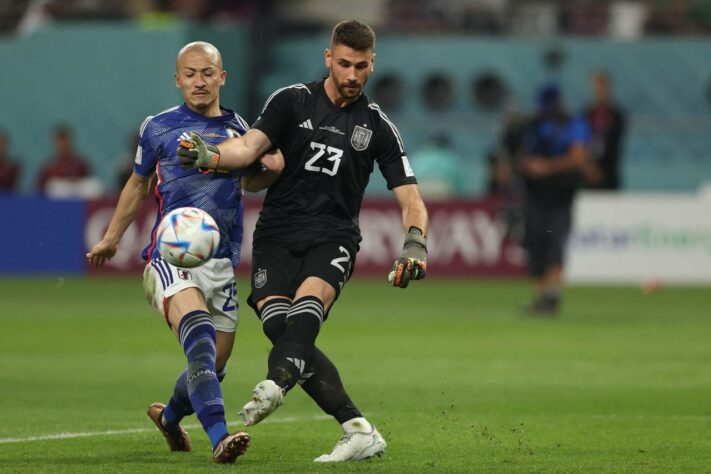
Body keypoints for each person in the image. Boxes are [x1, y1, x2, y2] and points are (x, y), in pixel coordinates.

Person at [178, 20, 429, 462]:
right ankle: (358, 428)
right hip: (276, 234)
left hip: (332, 237)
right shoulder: (291, 101)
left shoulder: (378, 126)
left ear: (373, 65)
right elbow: (248, 147)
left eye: (362, 66)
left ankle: (276, 384)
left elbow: (411, 198)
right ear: (329, 58)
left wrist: (415, 244)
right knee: (280, 326)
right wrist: (214, 156)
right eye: (345, 63)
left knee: (306, 313)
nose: (352, 75)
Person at [86, 41, 282, 464]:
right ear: (177, 79)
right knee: (201, 344)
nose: (198, 81)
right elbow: (137, 184)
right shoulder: (157, 127)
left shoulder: (240, 129)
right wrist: (112, 237)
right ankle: (220, 437)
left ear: (222, 77)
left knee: (214, 366)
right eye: (190, 73)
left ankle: (170, 416)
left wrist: (273, 172)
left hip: (221, 263)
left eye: (207, 73)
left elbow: (249, 183)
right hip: (171, 257)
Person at [521, 82, 590, 315]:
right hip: (535, 194)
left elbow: (579, 157)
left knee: (554, 244)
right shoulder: (533, 125)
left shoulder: (572, 124)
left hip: (560, 194)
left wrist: (547, 167)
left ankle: (552, 295)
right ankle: (542, 296)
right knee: (535, 243)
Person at [583, 70, 626, 190]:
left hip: (609, 173)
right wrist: (588, 166)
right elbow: (580, 143)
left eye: (603, 87)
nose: (600, 91)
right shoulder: (585, 114)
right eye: (597, 87)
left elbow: (613, 144)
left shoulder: (616, 115)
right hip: (588, 173)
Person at [37, 125, 92, 193]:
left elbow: (87, 181)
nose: (63, 145)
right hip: (56, 200)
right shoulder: (50, 167)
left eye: (65, 141)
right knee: (56, 186)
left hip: (77, 196)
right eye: (60, 142)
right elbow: (40, 188)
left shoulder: (80, 164)